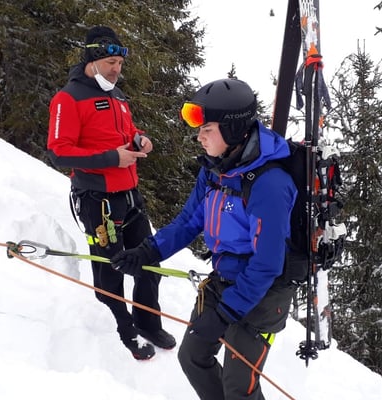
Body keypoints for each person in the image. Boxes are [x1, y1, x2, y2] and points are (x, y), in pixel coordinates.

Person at [111, 78, 297, 399]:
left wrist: (225, 314)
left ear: (233, 130)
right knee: (192, 357)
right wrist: (147, 251)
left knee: (239, 387)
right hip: (224, 280)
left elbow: (267, 264)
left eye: (207, 129)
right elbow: (189, 221)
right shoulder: (215, 170)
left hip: (264, 293)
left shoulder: (269, 184)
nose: (199, 137)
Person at [46, 26, 175, 361]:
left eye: (119, 63)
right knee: (110, 269)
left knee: (148, 259)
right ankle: (123, 330)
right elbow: (58, 152)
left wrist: (139, 138)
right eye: (110, 63)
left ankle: (147, 323)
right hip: (97, 199)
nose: (117, 69)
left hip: (130, 194)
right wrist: (111, 159)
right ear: (92, 60)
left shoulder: (117, 95)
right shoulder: (68, 98)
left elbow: (125, 131)